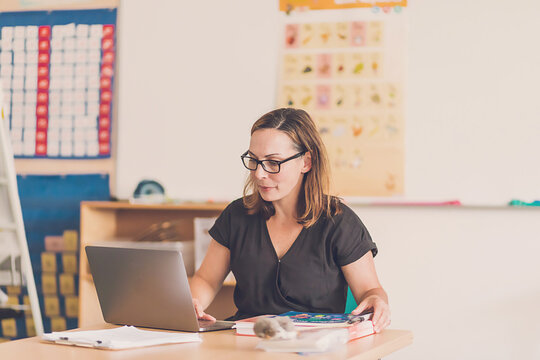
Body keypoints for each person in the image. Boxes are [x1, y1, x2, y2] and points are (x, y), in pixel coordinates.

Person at [189, 108, 391, 333]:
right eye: (254, 160)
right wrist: (192, 301)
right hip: (247, 342)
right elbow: (206, 280)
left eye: (273, 162)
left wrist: (377, 300)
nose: (259, 174)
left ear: (306, 162)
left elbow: (370, 291)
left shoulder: (339, 223)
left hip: (314, 345)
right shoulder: (236, 215)